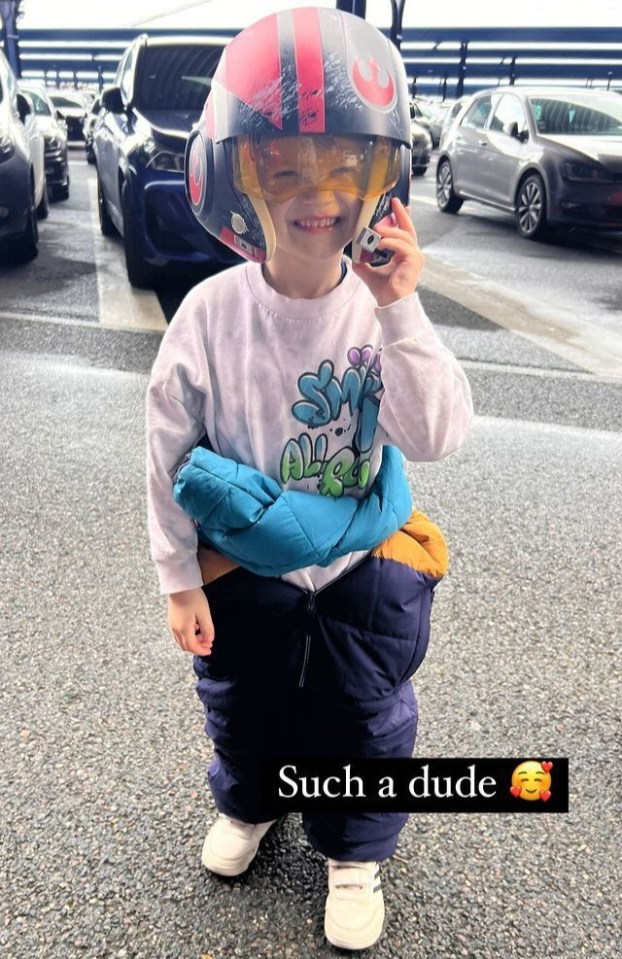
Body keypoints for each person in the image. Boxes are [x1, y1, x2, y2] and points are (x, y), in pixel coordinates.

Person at [146, 7, 473, 951]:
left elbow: (440, 433)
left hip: (361, 565)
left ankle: (352, 849)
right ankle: (252, 801)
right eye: (283, 166)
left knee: (367, 715)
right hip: (246, 569)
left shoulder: (383, 308)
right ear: (239, 176)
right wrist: (177, 577)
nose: (315, 191)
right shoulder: (210, 314)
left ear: (380, 177)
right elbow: (167, 452)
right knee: (242, 702)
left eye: (343, 166)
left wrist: (402, 312)